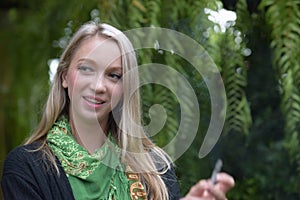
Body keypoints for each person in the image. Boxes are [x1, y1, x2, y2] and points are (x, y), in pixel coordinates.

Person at [1, 21, 234, 200]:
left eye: (114, 75)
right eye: (86, 68)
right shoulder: (26, 168)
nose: (99, 86)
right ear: (64, 77)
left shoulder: (156, 169)